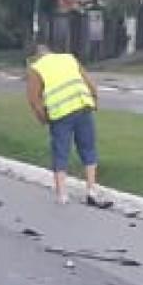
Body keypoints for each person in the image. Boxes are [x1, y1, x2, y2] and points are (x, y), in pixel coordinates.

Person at [27, 44, 112, 207]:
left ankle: (62, 194)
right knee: (88, 148)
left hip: (60, 114)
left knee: (61, 152)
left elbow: (34, 100)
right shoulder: (68, 58)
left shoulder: (35, 68)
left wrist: (43, 118)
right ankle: (91, 191)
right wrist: (94, 100)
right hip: (83, 106)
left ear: (35, 56)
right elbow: (89, 82)